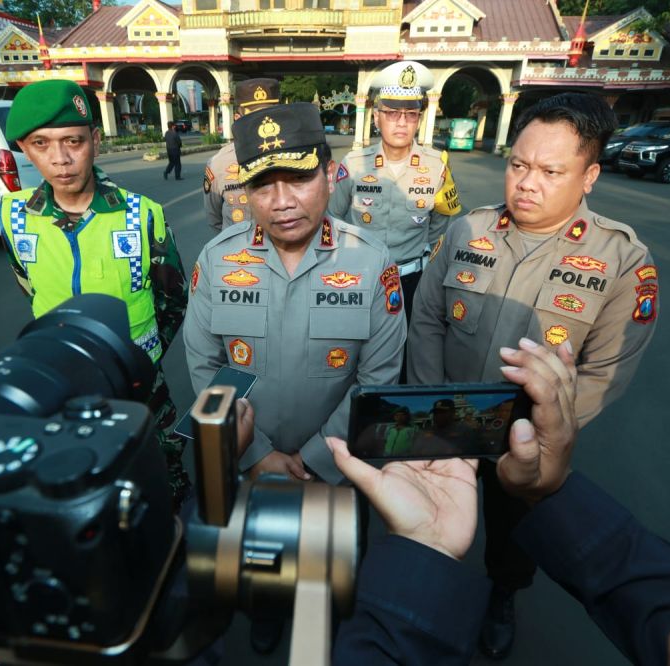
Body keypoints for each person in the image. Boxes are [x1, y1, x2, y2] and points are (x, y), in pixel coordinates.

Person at [333, 339, 670, 666]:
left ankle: (503, 596)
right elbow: (661, 604)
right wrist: (548, 489)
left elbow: (609, 366)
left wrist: (420, 558)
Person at [407, 91, 660, 658]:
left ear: (589, 175)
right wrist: (431, 408)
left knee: (514, 532)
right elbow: (426, 320)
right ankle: (427, 593)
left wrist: (541, 435)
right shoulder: (467, 230)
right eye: (519, 165)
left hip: (523, 441)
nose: (526, 184)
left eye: (551, 171)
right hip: (444, 422)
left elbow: (605, 372)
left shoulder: (623, 261)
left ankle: (503, 592)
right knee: (429, 522)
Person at [184, 102, 406, 487]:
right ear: (246, 190)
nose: (282, 202)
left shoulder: (371, 261)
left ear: (330, 176)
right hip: (244, 464)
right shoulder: (217, 259)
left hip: (339, 469)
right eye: (263, 185)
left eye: (299, 178)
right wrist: (255, 453)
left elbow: (378, 378)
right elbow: (205, 364)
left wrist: (317, 458)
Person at [0, 80, 191, 509]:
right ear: (24, 149)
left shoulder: (142, 215)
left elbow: (174, 300)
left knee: (161, 465)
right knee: (80, 472)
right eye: (41, 144)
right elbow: (27, 283)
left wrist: (143, 356)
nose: (60, 158)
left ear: (96, 142)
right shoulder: (13, 216)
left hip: (138, 378)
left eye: (74, 141)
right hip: (59, 375)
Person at [327, 60, 462, 318]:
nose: (402, 122)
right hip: (361, 275)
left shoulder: (437, 166)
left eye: (410, 114)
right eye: (392, 113)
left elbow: (439, 228)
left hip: (413, 281)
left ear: (418, 120)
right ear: (376, 117)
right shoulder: (354, 164)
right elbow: (332, 218)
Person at [203, 78, 282, 232]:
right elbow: (215, 220)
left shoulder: (297, 155)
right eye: (254, 117)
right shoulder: (219, 163)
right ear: (238, 118)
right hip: (239, 247)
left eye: (269, 115)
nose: (263, 122)